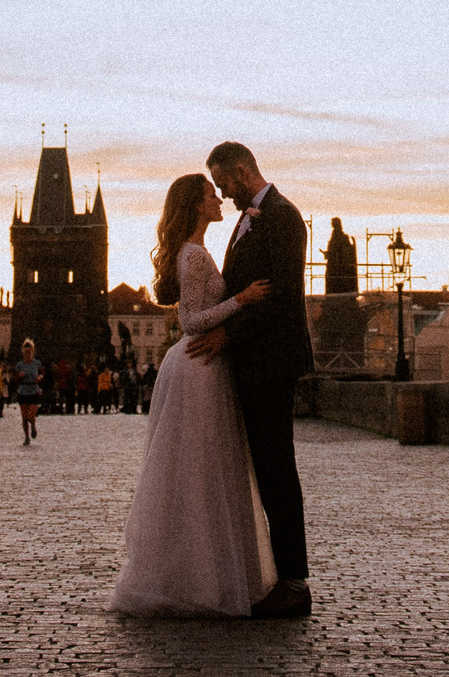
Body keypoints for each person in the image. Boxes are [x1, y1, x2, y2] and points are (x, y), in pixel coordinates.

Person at [109, 173, 275, 616]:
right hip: (198, 365)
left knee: (203, 470)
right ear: (195, 205)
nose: (218, 198)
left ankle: (199, 574)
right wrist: (241, 300)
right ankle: (201, 579)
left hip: (203, 366)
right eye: (209, 194)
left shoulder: (196, 251)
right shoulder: (193, 255)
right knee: (203, 470)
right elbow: (191, 321)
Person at [187, 141, 316, 619]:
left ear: (242, 171)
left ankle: (295, 583)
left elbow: (280, 297)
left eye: (224, 183)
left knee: (276, 468)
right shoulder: (250, 218)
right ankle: (278, 576)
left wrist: (225, 334)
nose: (223, 193)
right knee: (264, 469)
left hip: (270, 362)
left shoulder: (281, 215)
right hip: (252, 360)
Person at [14, 340, 44, 445]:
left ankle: (33, 426)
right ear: (23, 352)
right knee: (24, 417)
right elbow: (15, 379)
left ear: (32, 352)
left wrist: (40, 377)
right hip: (23, 390)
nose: (27, 354)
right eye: (25, 352)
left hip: (34, 390)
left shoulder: (37, 363)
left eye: (29, 352)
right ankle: (26, 437)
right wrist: (19, 376)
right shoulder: (19, 365)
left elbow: (41, 373)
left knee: (31, 416)